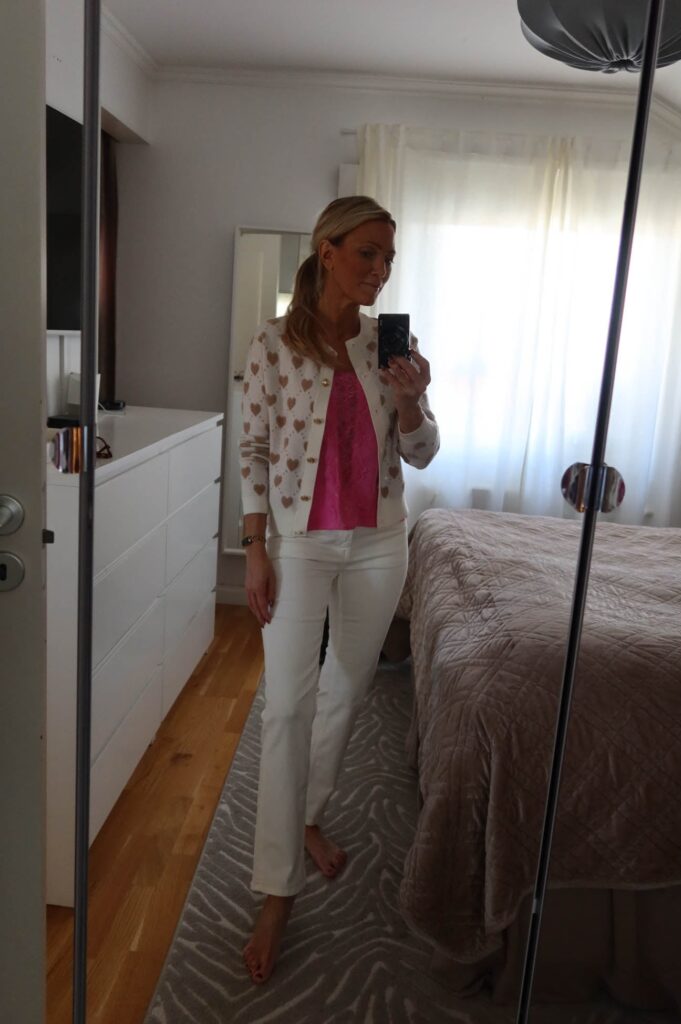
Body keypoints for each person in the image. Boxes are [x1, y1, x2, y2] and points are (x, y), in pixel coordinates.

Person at [239, 195, 439, 984]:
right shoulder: (273, 344)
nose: (379, 269)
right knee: (286, 707)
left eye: (388, 258)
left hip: (377, 544)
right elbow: (253, 449)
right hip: (297, 545)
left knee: (346, 691)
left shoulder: (391, 345)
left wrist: (411, 399)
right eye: (366, 253)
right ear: (326, 251)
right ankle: (276, 890)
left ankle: (308, 815)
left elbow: (421, 453)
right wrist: (254, 549)